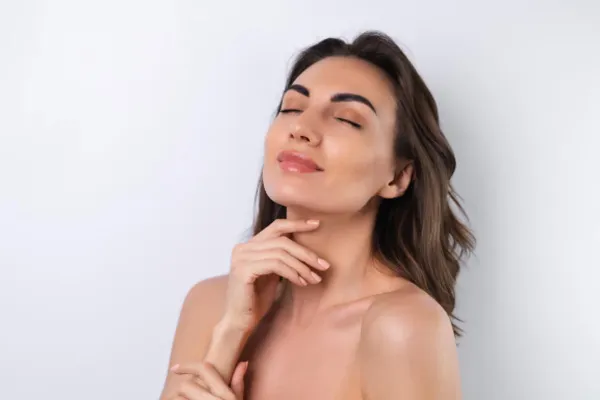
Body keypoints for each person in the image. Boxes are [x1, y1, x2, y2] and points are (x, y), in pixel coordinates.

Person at [160, 30, 475, 400]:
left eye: (346, 119)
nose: (301, 129)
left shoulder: (401, 326)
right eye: (292, 108)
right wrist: (230, 333)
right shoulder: (211, 304)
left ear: (398, 176)